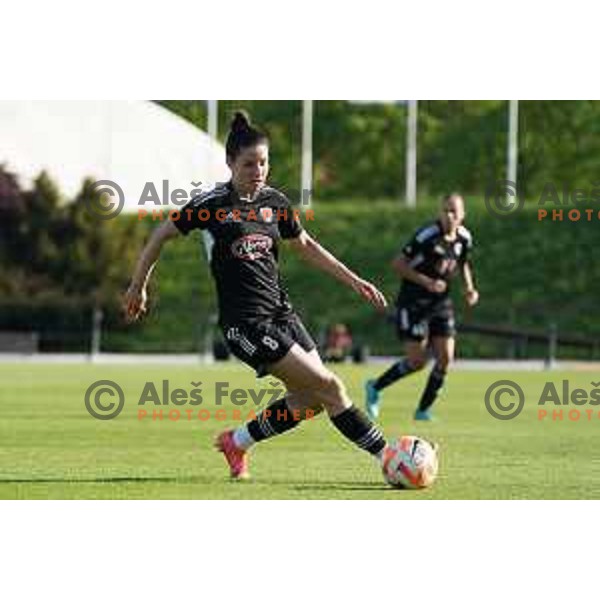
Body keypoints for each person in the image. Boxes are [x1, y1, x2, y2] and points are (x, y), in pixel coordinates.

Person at [124, 110, 392, 480]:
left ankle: (237, 441)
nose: (258, 170)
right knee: (331, 386)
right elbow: (160, 235)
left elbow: (306, 245)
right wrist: (138, 285)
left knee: (310, 401)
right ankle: (389, 457)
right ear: (230, 162)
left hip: (282, 315)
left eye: (264, 162)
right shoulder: (212, 205)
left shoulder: (275, 203)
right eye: (249, 163)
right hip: (245, 325)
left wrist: (354, 280)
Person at [365, 193, 479, 421]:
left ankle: (423, 410)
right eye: (445, 210)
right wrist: (427, 282)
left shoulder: (464, 238)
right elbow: (398, 264)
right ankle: (375, 386)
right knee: (417, 361)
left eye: (454, 211)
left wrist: (469, 288)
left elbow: (463, 263)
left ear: (462, 215)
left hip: (440, 303)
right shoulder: (427, 235)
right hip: (413, 302)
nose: (449, 215)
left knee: (446, 358)